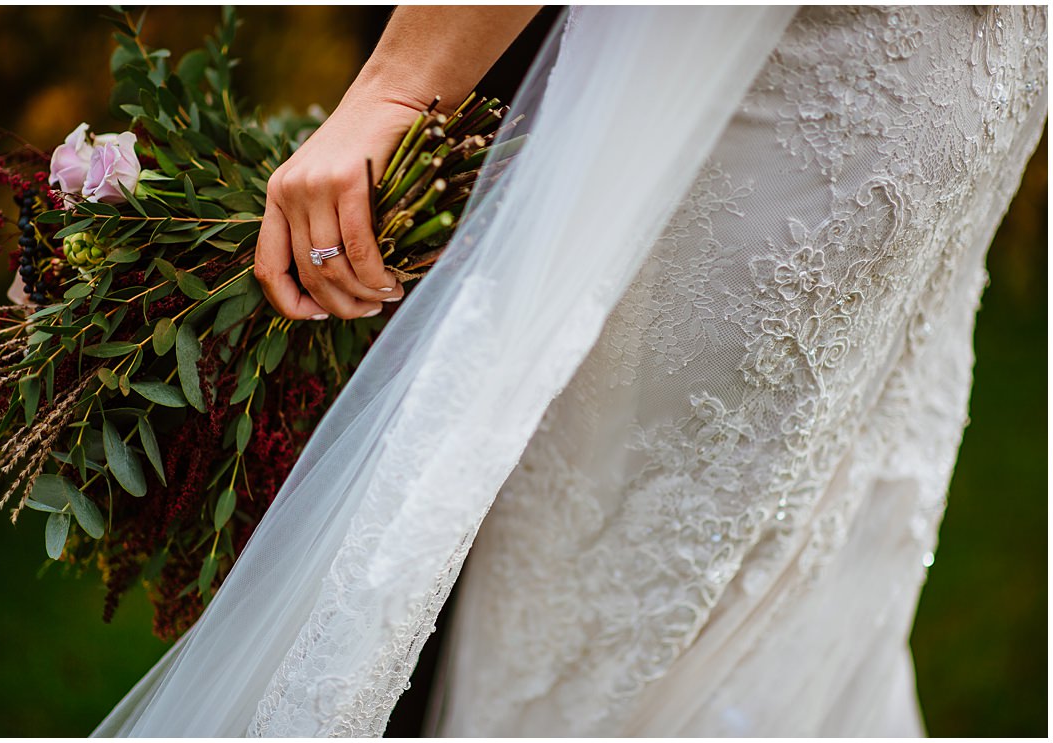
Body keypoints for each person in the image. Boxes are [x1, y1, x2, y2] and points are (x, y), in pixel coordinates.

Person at [93, 6, 1047, 737]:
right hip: (907, 116)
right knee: (656, 611)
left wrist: (400, 83)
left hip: (863, 144)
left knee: (754, 584)